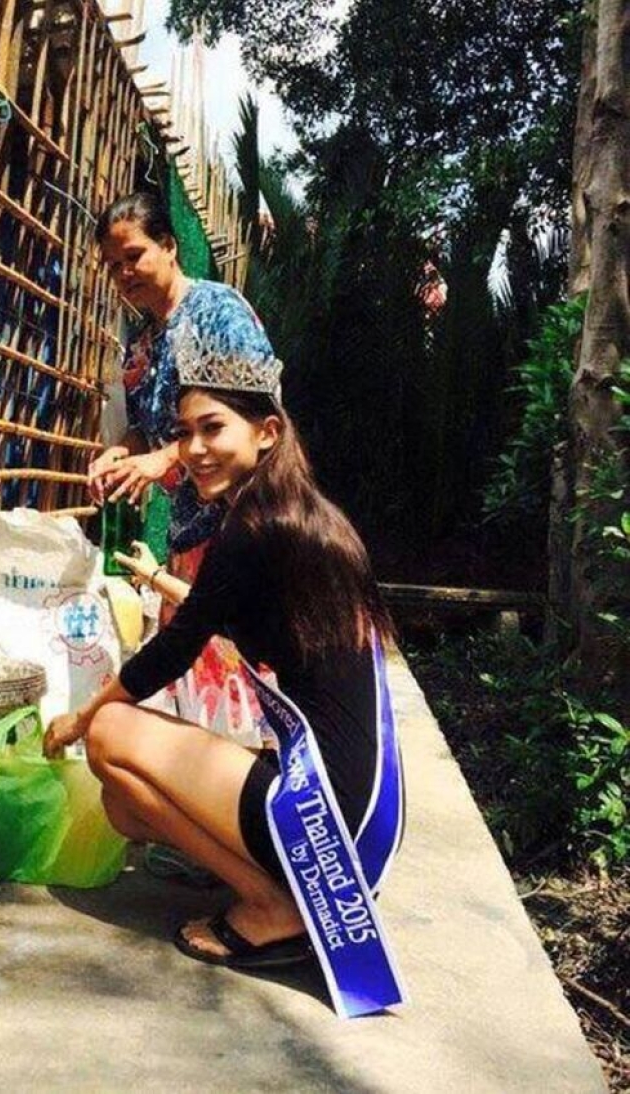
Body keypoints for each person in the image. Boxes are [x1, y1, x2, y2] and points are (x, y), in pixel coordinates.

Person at [44, 324, 403, 971]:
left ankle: (272, 906)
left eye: (212, 429)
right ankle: (267, 883)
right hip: (357, 816)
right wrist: (158, 579)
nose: (193, 449)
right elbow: (222, 613)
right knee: (122, 803)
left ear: (266, 432)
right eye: (184, 433)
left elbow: (173, 649)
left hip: (326, 819)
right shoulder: (299, 517)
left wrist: (80, 717)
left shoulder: (254, 527)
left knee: (111, 734)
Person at [89, 190, 278, 748]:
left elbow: (246, 417)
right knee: (197, 685)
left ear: (169, 246)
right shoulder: (143, 342)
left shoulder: (218, 312)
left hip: (240, 525)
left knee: (244, 670)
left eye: (134, 255)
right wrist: (122, 451)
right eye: (113, 265)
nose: (124, 273)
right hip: (188, 532)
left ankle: (258, 784)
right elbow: (145, 428)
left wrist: (164, 458)